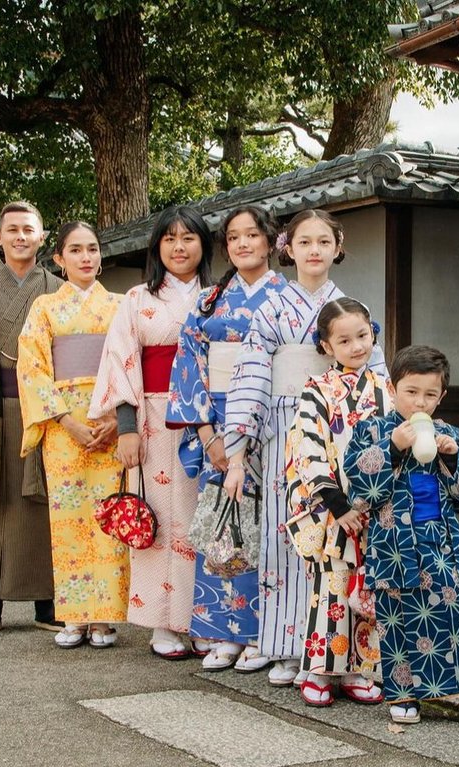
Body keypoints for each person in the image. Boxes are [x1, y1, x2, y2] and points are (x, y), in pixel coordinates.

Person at [224, 209, 387, 686]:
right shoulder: (272, 307)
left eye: (324, 241)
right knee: (289, 536)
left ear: (338, 247)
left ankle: (340, 655)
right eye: (304, 242)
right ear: (287, 248)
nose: (314, 250)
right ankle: (287, 647)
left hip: (344, 433)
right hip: (283, 426)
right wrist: (239, 448)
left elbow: (373, 374)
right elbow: (252, 372)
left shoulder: (351, 308)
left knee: (342, 543)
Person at [166, 204, 287, 671]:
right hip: (216, 422)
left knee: (269, 529)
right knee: (222, 524)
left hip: (273, 426)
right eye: (233, 237)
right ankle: (222, 632)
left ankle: (263, 633)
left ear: (271, 241)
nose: (242, 244)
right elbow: (189, 368)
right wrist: (206, 433)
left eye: (252, 234)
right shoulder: (210, 301)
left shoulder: (290, 297)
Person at [89, 206, 213, 659]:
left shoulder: (218, 297)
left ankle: (204, 618)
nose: (179, 247)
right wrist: (125, 429)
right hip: (155, 416)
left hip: (209, 420)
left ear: (204, 244)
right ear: (157, 247)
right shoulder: (138, 297)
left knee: (204, 515)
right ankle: (162, 622)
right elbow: (120, 361)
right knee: (159, 517)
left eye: (189, 238)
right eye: (169, 239)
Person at [17, 221, 129, 648]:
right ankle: (74, 617)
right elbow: (32, 369)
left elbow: (129, 363)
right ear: (59, 259)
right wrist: (66, 422)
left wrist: (118, 420)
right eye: (76, 250)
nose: (87, 257)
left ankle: (104, 616)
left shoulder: (122, 305)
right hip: (64, 425)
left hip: (110, 418)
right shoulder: (45, 307)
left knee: (108, 515)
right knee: (68, 521)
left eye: (93, 249)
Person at [344, 345, 459, 724]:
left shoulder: (452, 434)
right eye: (411, 392)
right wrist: (392, 447)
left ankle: (454, 689)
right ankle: (403, 696)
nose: (420, 402)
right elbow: (359, 491)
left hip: (440, 539)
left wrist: (451, 457)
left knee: (451, 610)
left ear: (441, 396)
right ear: (393, 388)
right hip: (393, 541)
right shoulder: (371, 430)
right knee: (395, 616)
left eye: (430, 395)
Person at [285, 297, 392, 706]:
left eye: (362, 336)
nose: (356, 346)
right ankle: (321, 668)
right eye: (344, 340)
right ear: (327, 347)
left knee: (367, 586)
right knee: (332, 586)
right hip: (333, 507)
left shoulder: (387, 390)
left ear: (373, 335)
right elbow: (307, 449)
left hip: (377, 507)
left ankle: (361, 670)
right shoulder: (316, 392)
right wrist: (337, 503)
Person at [0, 200, 63, 636]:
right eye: (11, 229)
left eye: (27, 229)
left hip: (44, 410)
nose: (19, 236)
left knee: (43, 504)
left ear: (41, 237)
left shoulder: (56, 288)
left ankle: (47, 605)